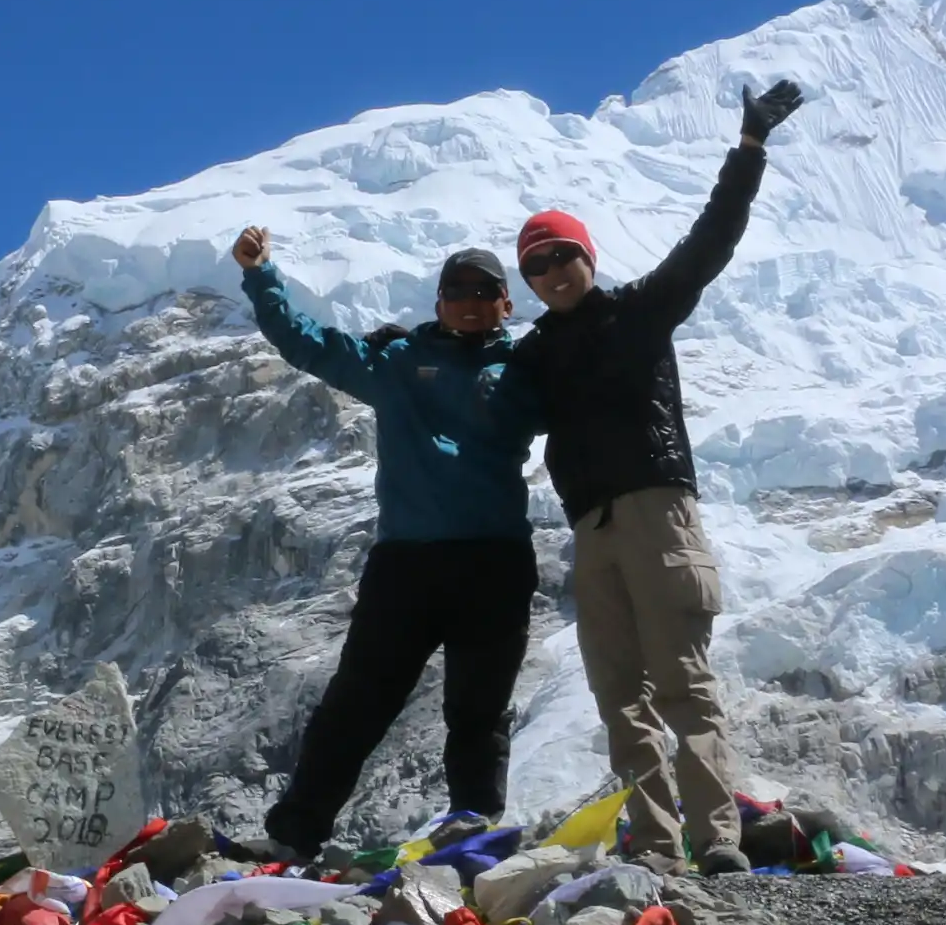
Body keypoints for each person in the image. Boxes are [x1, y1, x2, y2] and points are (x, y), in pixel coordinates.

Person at [510, 78, 805, 872]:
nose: (553, 270)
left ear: (587, 258)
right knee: (618, 696)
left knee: (682, 682)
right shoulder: (533, 354)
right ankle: (657, 847)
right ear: (529, 280)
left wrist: (749, 149)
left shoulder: (639, 310)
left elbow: (711, 241)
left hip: (656, 512)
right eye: (537, 263)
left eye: (562, 254)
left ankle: (717, 841)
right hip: (591, 530)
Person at [230, 225, 540, 860]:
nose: (471, 301)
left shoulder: (529, 370)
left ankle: (474, 833)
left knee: (479, 711)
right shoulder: (396, 365)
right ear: (438, 302)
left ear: (507, 304)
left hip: (496, 561)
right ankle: (294, 835)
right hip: (407, 564)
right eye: (457, 290)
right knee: (357, 703)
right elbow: (306, 343)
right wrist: (261, 274)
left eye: (486, 291)